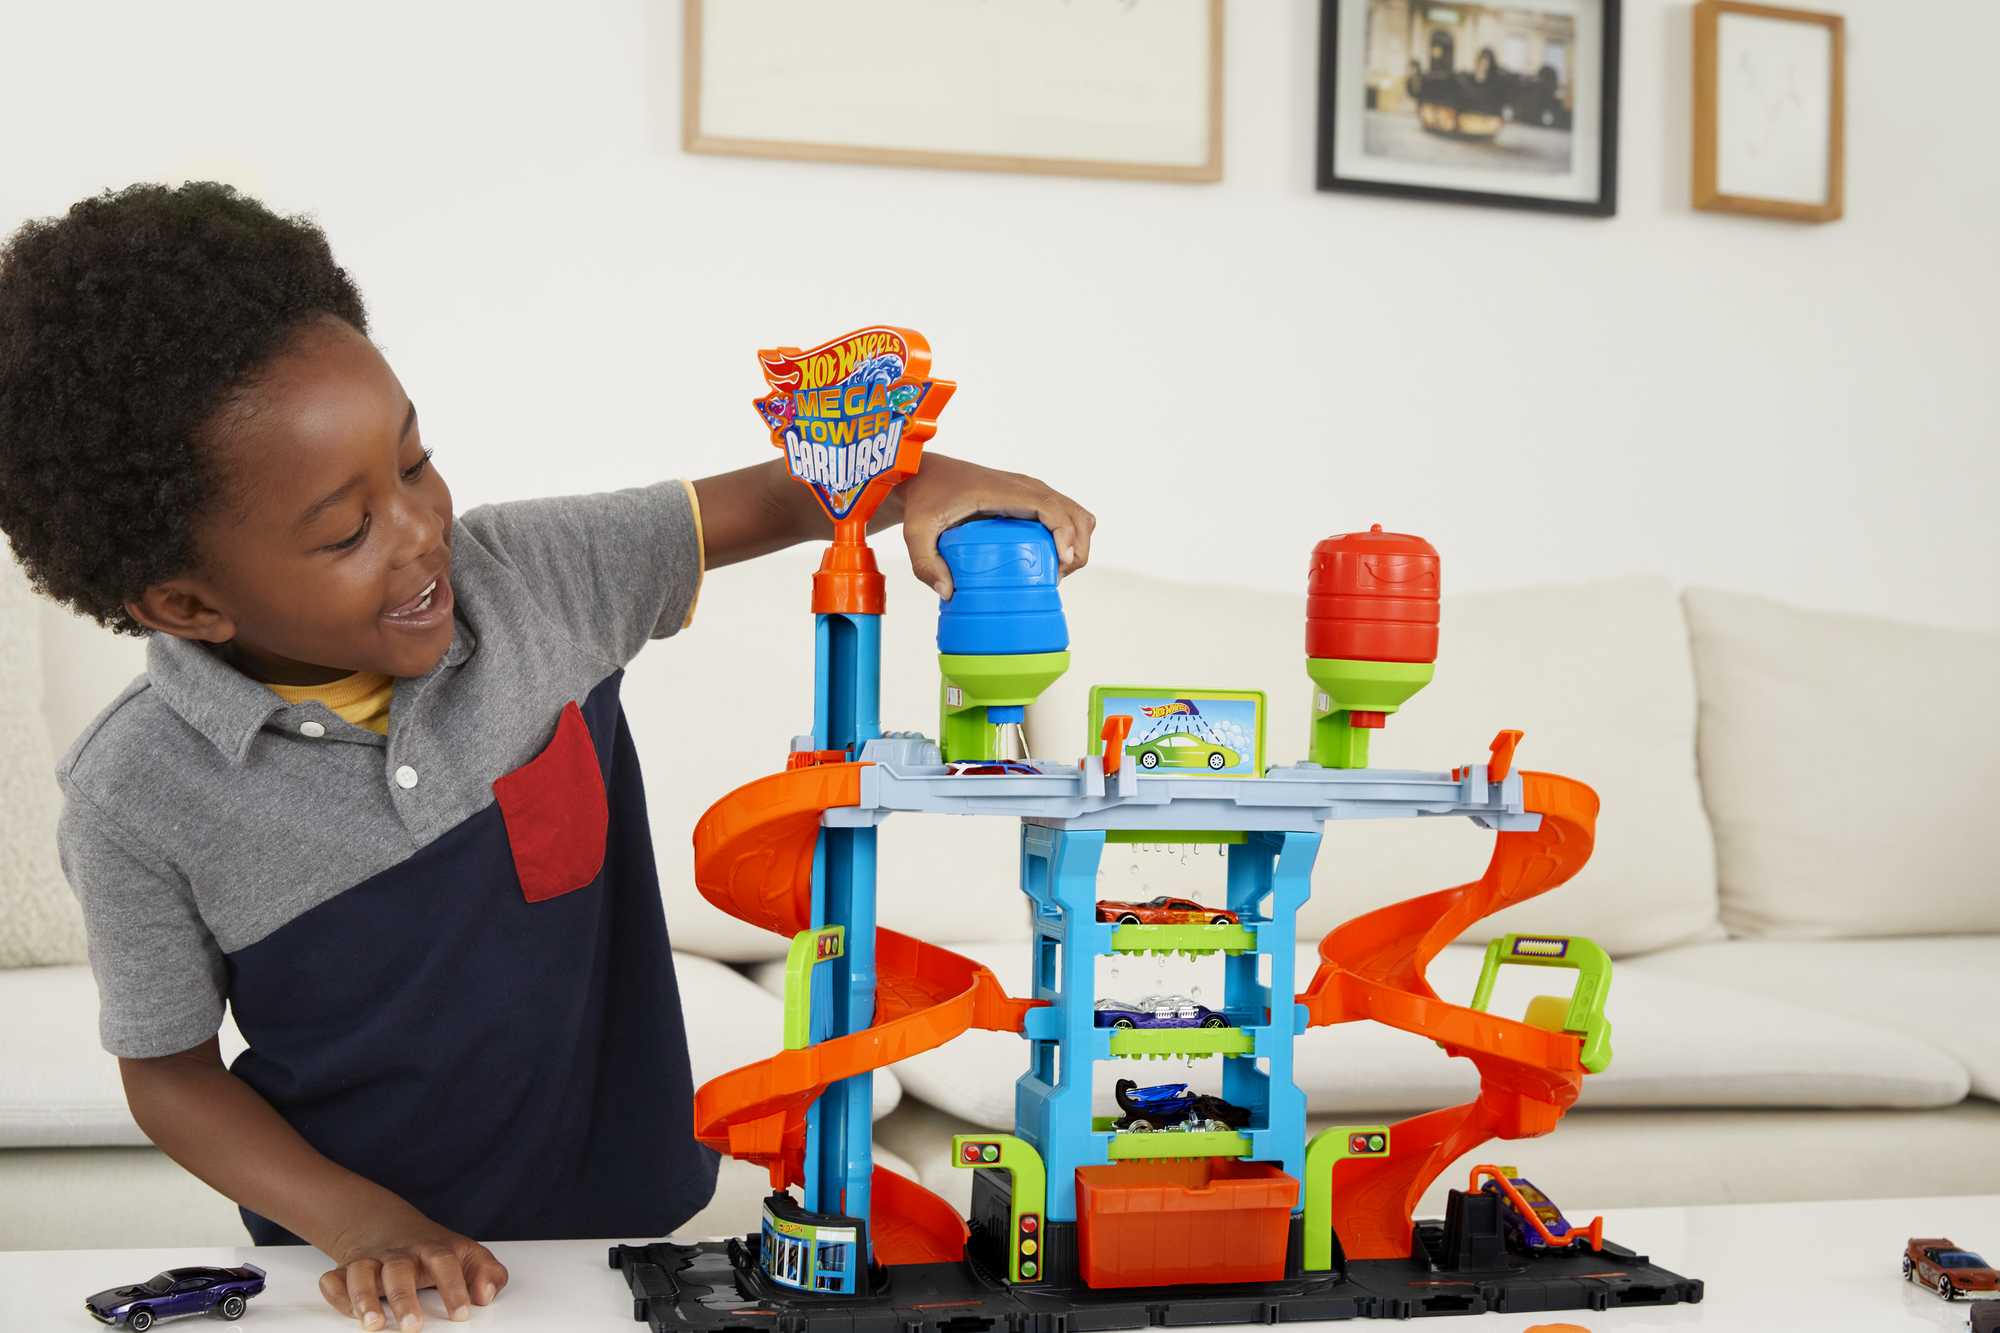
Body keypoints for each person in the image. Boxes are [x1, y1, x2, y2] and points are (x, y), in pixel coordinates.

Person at [0, 182, 1094, 1332]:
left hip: (630, 1231)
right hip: (374, 1278)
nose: (422, 530)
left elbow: (796, 492)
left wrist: (929, 480)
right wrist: (359, 1223)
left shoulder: (536, 576)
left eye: (414, 463)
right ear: (186, 603)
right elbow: (169, 1073)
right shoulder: (135, 792)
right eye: (347, 530)